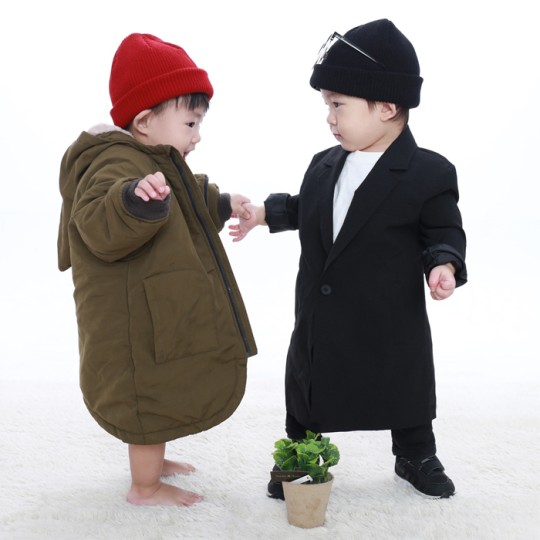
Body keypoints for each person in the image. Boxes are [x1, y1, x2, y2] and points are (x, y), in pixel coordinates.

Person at [230, 19, 467, 499]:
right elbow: (310, 207)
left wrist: (443, 265)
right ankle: (303, 453)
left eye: (338, 105)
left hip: (387, 314)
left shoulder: (427, 172)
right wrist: (264, 214)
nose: (329, 117)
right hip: (323, 311)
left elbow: (442, 230)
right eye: (327, 105)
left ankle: (415, 453)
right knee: (308, 384)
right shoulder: (324, 163)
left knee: (404, 383)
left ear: (387, 106)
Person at [57, 33, 257, 506]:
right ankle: (144, 487)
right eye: (190, 122)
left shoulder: (154, 158)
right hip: (134, 321)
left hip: (158, 312)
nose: (197, 135)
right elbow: (98, 218)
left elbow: (184, 196)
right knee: (144, 396)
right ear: (145, 121)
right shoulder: (114, 163)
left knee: (162, 386)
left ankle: (155, 463)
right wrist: (132, 200)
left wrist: (222, 202)